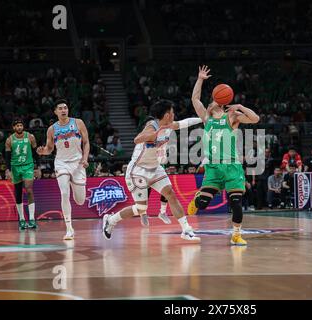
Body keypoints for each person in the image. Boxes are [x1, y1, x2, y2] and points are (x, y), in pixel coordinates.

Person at [102, 100, 201, 242]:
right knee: (141, 208)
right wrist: (151, 136)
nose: (174, 114)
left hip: (155, 168)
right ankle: (111, 220)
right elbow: (137, 139)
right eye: (172, 112)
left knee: (170, 194)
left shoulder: (169, 125)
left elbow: (184, 123)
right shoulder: (151, 126)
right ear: (167, 115)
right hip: (138, 170)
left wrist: (203, 119)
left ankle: (186, 229)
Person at [187, 65, 260, 246]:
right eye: (211, 102)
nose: (212, 103)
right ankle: (198, 198)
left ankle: (236, 234)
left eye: (215, 102)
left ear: (220, 104)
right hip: (213, 167)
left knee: (236, 203)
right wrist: (200, 79)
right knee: (203, 204)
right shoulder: (206, 118)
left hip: (232, 166)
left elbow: (255, 118)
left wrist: (240, 106)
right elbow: (195, 98)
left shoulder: (232, 118)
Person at [37, 99, 90, 240]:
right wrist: (43, 152)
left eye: (65, 107)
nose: (63, 110)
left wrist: (85, 158)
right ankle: (69, 228)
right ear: (55, 112)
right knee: (64, 193)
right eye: (60, 108)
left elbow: (86, 142)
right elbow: (49, 149)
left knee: (80, 200)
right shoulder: (52, 129)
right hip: (61, 163)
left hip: (78, 163)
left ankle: (75, 184)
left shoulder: (78, 123)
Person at [138, 114, 202, 226]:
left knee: (168, 190)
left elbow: (185, 121)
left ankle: (162, 213)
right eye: (147, 125)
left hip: (157, 165)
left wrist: (202, 118)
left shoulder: (165, 128)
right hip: (143, 166)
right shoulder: (145, 136)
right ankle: (143, 214)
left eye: (151, 124)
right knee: (145, 191)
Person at [5, 119, 39, 230]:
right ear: (14, 128)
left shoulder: (30, 137)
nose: (19, 127)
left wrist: (37, 167)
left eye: (21, 125)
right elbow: (7, 157)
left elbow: (35, 153)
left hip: (28, 166)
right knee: (18, 192)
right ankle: (22, 219)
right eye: (17, 126)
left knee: (29, 189)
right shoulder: (10, 140)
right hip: (15, 167)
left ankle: (32, 219)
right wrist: (8, 170)